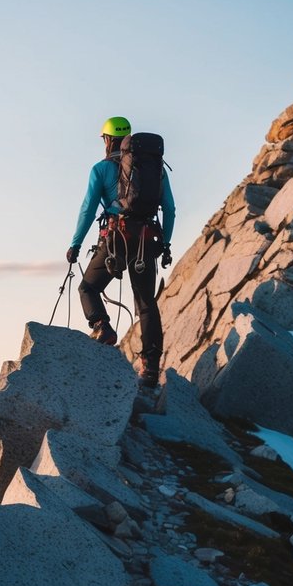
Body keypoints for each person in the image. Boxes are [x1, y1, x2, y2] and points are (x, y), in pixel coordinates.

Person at [65, 116, 175, 387]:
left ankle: (102, 326)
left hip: (116, 238)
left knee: (88, 289)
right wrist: (165, 244)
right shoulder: (155, 169)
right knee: (146, 303)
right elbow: (170, 209)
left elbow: (88, 209)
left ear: (108, 139)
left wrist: (75, 244)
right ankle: (150, 368)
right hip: (147, 240)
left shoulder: (101, 169)